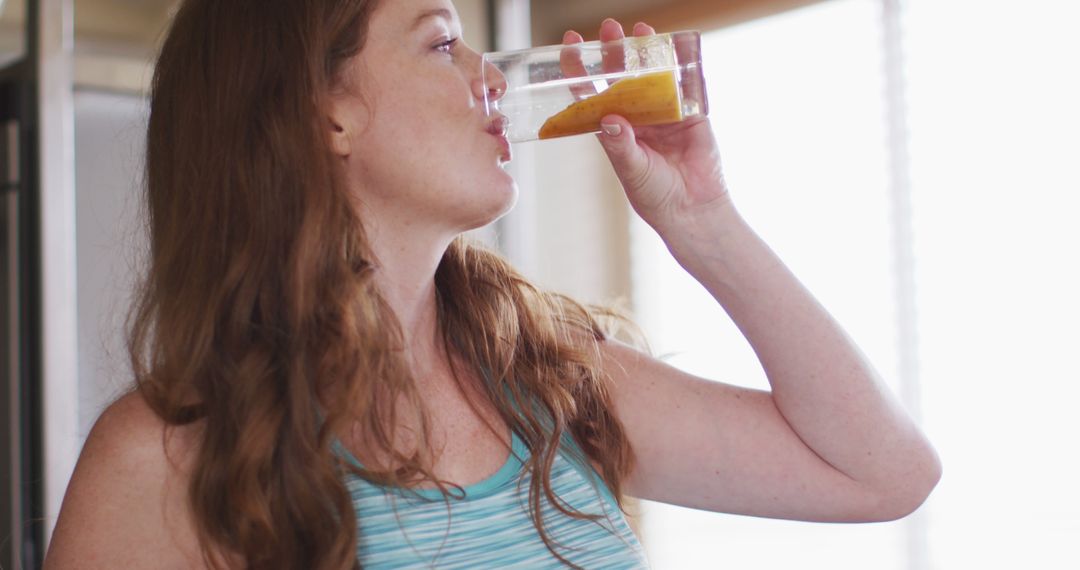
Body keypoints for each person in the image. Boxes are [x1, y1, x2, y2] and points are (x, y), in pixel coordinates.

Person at [44, 0, 941, 568]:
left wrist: (703, 224)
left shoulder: (548, 378)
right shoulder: (165, 463)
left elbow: (884, 476)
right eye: (442, 42)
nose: (490, 79)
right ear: (328, 114)